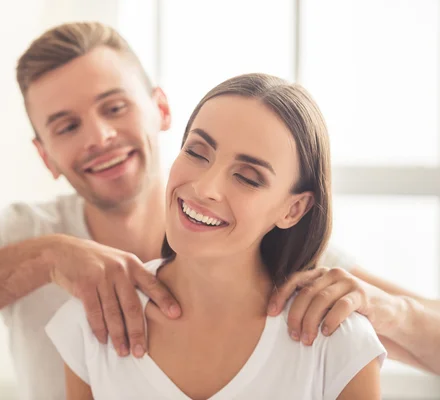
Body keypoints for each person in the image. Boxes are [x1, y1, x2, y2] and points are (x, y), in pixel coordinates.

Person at [0, 22, 440, 400]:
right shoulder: (20, 238)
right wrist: (46, 259)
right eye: (66, 126)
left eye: (114, 106)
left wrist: (385, 310)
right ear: (45, 155)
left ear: (160, 109)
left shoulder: (272, 247)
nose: (100, 136)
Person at [46, 72, 387, 400]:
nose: (205, 187)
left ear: (293, 209)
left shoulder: (340, 343)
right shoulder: (91, 325)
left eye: (248, 177)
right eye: (196, 152)